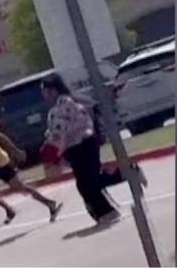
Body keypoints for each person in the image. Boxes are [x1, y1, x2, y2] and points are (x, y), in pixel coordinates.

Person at [39, 74, 147, 224]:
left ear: (54, 90)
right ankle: (104, 212)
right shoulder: (58, 107)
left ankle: (129, 172)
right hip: (75, 148)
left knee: (91, 182)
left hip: (84, 145)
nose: (43, 95)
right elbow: (55, 132)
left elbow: (59, 132)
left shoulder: (65, 104)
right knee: (85, 184)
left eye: (45, 91)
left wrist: (50, 155)